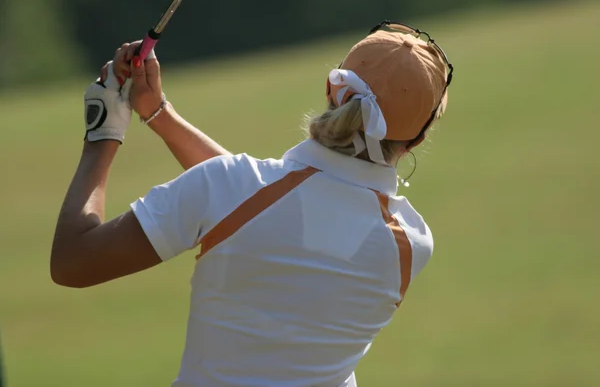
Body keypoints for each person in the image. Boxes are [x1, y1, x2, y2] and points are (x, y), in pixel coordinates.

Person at [50, 21, 453, 387]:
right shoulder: (411, 245)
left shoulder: (230, 188)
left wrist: (103, 131)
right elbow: (262, 209)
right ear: (416, 140)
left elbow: (73, 260)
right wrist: (158, 114)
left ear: (331, 90)